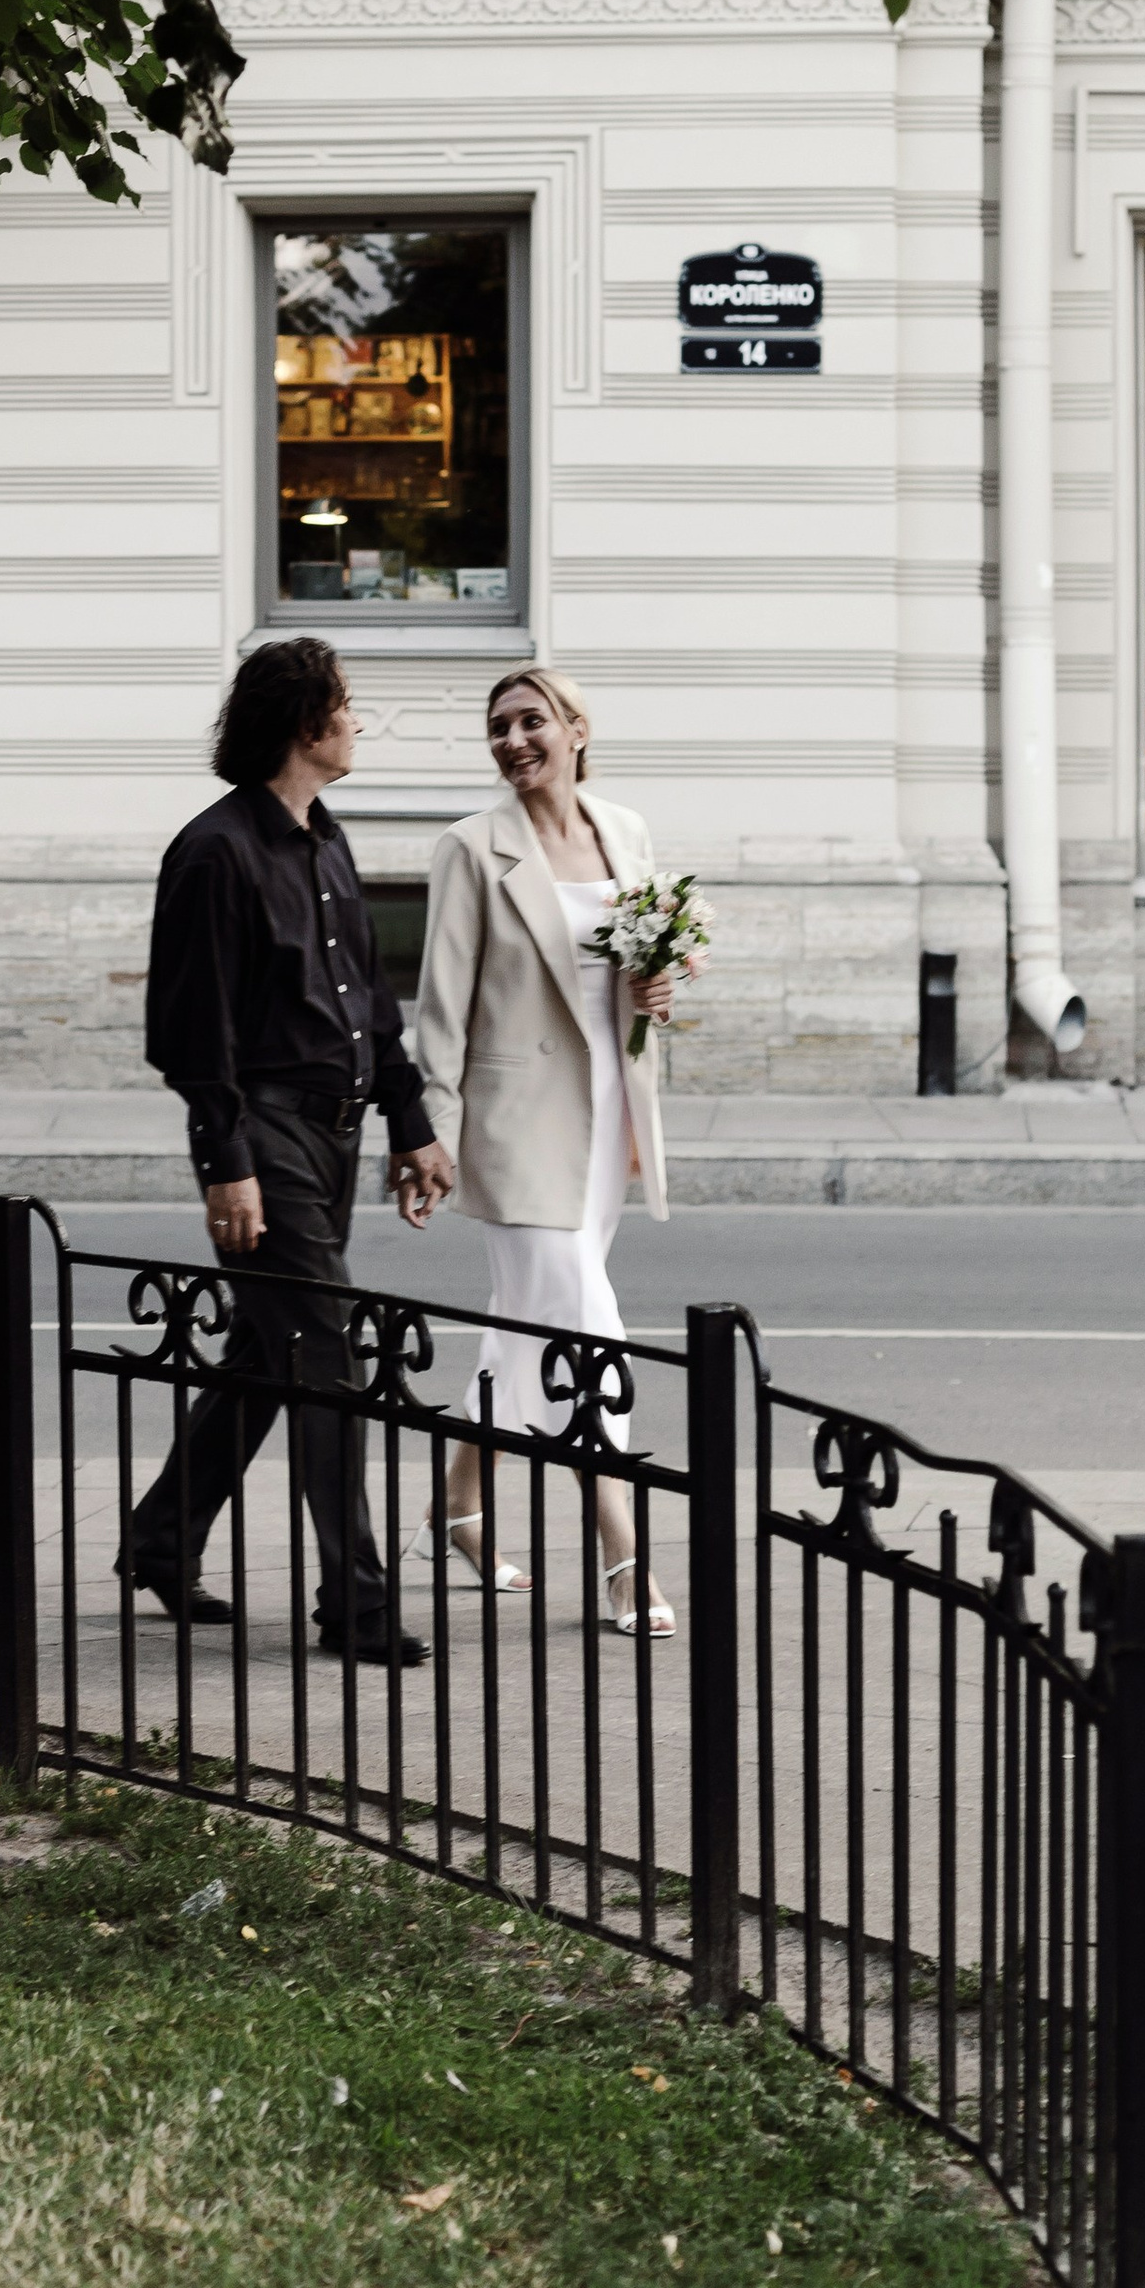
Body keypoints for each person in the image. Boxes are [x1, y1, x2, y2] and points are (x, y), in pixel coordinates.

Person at [130, 637, 458, 1664]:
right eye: (346, 705)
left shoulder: (324, 839)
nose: (357, 721)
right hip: (264, 1136)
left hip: (337, 1132)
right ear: (303, 723)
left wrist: (407, 1121)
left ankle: (158, 1537)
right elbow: (190, 1029)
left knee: (269, 1358)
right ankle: (353, 1606)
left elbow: (367, 998)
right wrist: (224, 1159)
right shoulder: (214, 850)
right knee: (330, 1360)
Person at [409, 668, 681, 1635]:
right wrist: (427, 1133)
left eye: (532, 722)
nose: (514, 740)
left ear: (575, 729)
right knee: (583, 1323)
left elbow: (638, 974)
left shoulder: (626, 831)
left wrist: (657, 990)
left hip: (609, 1110)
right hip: (517, 1125)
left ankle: (457, 1508)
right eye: (499, 728)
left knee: (527, 1321)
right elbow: (441, 1005)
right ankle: (623, 1555)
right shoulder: (471, 850)